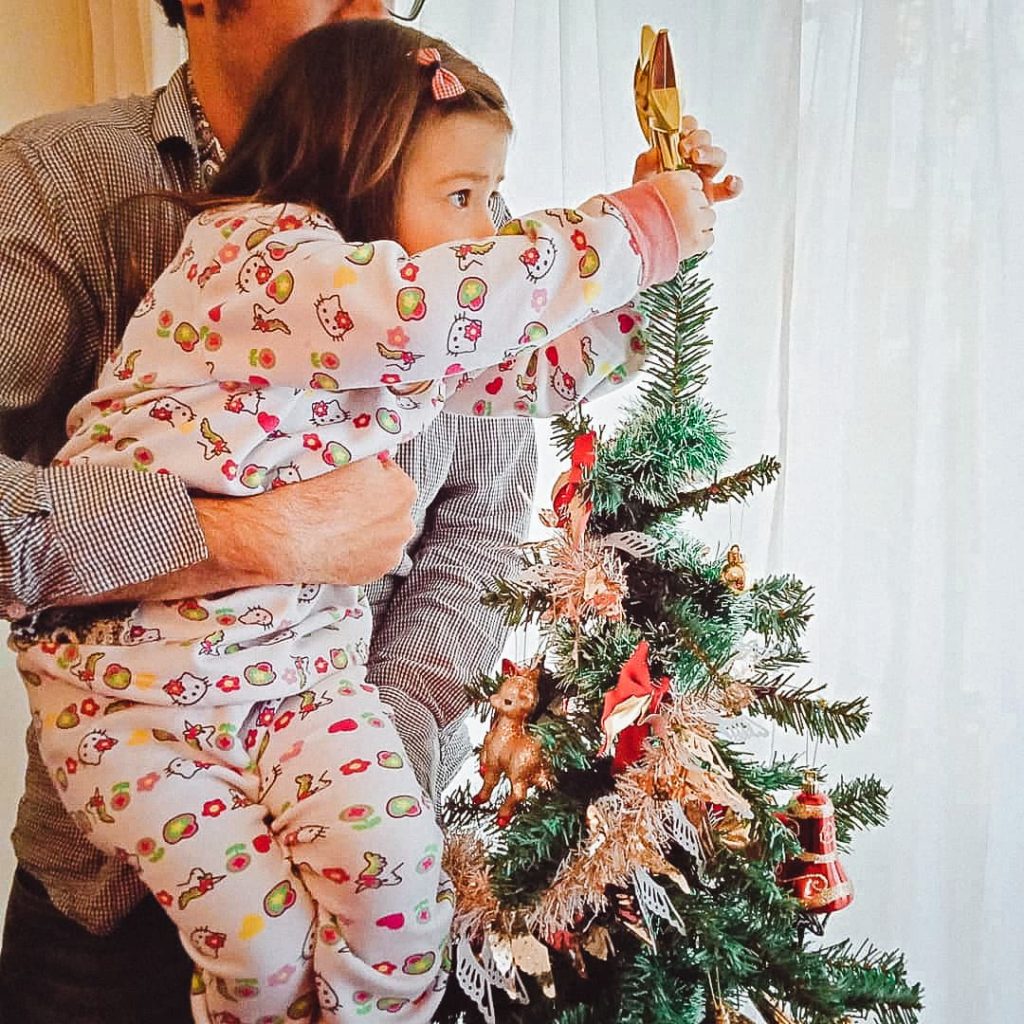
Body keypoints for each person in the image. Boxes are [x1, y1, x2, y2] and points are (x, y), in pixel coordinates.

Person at [0, 1, 740, 1020]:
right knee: (258, 967)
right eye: (469, 198)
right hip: (128, 767)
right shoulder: (253, 239)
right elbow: (426, 312)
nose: (369, 3)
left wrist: (661, 259)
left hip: (313, 712)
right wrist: (232, 536)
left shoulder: (413, 202)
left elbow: (509, 400)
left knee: (400, 922)